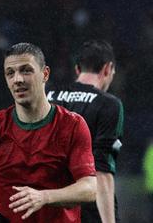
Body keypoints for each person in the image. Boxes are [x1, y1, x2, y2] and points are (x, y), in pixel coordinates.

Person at [0, 43, 97, 223]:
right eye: (10, 73)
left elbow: (89, 189)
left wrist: (44, 197)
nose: (17, 79)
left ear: (45, 74)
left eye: (26, 70)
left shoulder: (72, 125)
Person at [47, 40, 124, 223]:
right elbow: (102, 172)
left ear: (77, 69)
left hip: (49, 205)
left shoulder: (48, 97)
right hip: (87, 207)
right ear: (107, 68)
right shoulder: (109, 105)